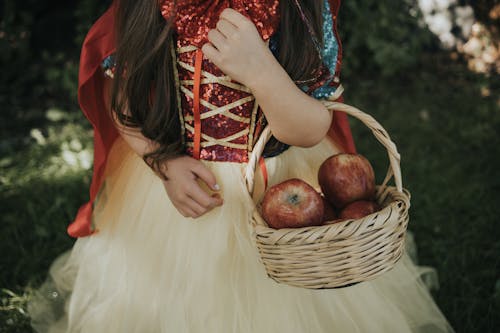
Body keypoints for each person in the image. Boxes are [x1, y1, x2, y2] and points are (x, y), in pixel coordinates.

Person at [28, 0, 455, 332]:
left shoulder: (299, 11)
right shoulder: (148, 8)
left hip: (282, 175)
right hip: (189, 187)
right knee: (184, 302)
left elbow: (311, 128)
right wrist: (163, 161)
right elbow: (123, 99)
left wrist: (260, 70)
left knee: (292, 301)